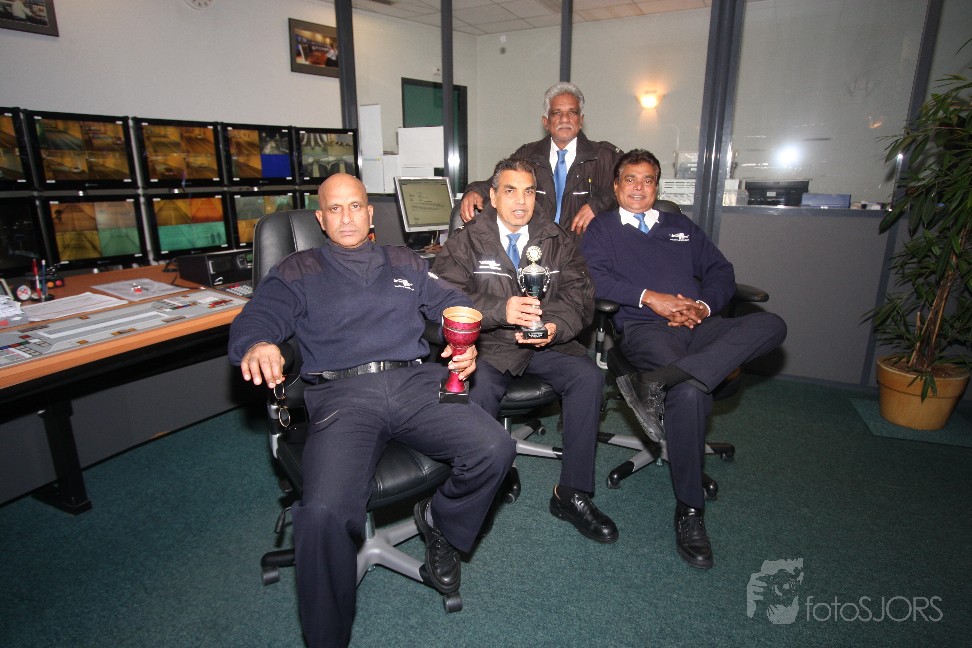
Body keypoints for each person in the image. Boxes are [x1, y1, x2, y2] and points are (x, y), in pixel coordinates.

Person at [228, 174, 516, 648]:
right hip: (343, 396)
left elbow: (453, 302)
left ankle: (441, 523)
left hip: (413, 383)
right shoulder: (298, 269)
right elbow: (258, 316)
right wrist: (259, 343)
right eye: (334, 209)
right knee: (322, 513)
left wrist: (462, 339)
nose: (346, 217)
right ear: (321, 219)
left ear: (369, 213)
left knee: (495, 447)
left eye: (355, 206)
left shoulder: (406, 261)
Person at [581, 149, 787, 569]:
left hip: (699, 326)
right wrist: (651, 299)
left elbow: (721, 271)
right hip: (647, 330)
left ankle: (663, 380)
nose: (639, 187)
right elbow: (594, 280)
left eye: (648, 180)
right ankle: (691, 511)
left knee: (772, 325)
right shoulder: (602, 229)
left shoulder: (680, 226)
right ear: (616, 186)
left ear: (657, 186)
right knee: (691, 394)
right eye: (630, 179)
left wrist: (703, 307)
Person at [433, 158, 618, 544]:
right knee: (477, 390)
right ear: (493, 197)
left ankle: (572, 493)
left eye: (529, 191)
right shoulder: (466, 241)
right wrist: (500, 310)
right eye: (510, 191)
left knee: (588, 378)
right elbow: (443, 298)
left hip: (544, 341)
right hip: (488, 345)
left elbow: (580, 297)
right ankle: (484, 484)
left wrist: (554, 327)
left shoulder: (555, 238)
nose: (521, 201)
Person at [458, 82, 622, 237]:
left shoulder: (604, 156)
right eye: (557, 113)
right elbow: (499, 183)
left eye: (572, 112)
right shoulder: (528, 155)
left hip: (586, 249)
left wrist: (596, 206)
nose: (565, 119)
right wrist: (475, 191)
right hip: (539, 248)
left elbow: (631, 189)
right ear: (546, 122)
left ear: (581, 120)